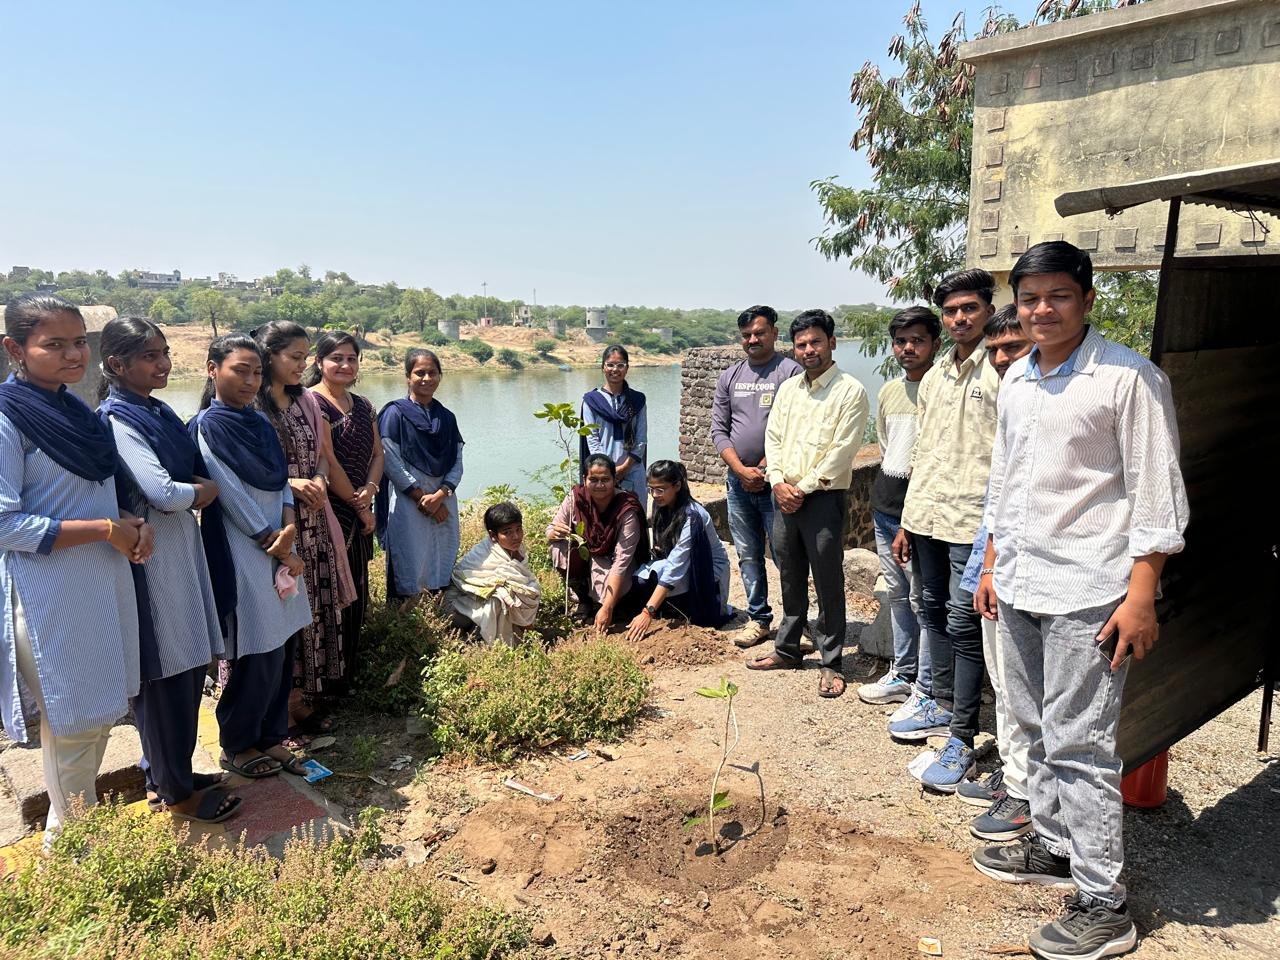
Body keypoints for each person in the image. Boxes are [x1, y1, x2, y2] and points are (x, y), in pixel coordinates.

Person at [971, 242, 1188, 960]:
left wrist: (1142, 596)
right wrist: (994, 563)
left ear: (1086, 299)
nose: (1042, 310)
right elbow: (1006, 482)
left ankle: (1104, 905)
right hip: (1024, 582)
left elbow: (1158, 500)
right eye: (1030, 298)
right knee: (1032, 727)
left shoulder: (1129, 380)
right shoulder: (1020, 382)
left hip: (1091, 592)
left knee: (1082, 745)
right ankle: (1057, 847)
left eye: (1057, 296)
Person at [0, 294, 150, 845]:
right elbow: (4, 524)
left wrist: (129, 518)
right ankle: (67, 845)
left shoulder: (77, 413)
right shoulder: (7, 418)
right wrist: (105, 531)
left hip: (100, 583)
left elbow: (95, 494)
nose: (72, 354)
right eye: (54, 344)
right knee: (72, 719)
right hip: (50, 594)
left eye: (79, 341)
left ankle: (81, 838)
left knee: (101, 711)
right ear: (14, 348)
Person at [98, 317, 238, 824]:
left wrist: (195, 490)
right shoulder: (118, 419)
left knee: (182, 666)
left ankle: (168, 772)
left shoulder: (154, 410)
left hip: (177, 549)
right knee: (162, 672)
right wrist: (204, 492)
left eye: (165, 352)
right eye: (151, 356)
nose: (164, 363)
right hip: (151, 558)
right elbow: (161, 491)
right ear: (117, 364)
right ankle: (177, 792)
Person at [890, 269, 999, 792]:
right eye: (952, 311)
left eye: (969, 309)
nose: (960, 319)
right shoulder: (934, 378)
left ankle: (964, 734)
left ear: (988, 310)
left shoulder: (1001, 371)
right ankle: (933, 699)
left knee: (963, 623)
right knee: (928, 607)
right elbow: (923, 456)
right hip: (930, 517)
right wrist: (909, 521)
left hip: (972, 523)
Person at [190, 333, 313, 779]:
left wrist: (287, 530)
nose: (249, 380)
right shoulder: (207, 425)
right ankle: (238, 745)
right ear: (212, 370)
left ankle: (270, 736)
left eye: (256, 371)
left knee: (282, 646)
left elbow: (281, 478)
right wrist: (270, 539)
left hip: (281, 543)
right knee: (255, 648)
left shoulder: (260, 423)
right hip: (243, 549)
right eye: (240, 370)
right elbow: (227, 490)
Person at [746, 309, 869, 698]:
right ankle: (788, 648)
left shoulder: (851, 391)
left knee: (828, 579)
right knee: (790, 573)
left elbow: (842, 452)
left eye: (816, 342)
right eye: (801, 344)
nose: (808, 350)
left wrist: (803, 489)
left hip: (823, 498)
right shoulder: (789, 390)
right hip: (783, 495)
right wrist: (779, 482)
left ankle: (832, 662)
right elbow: (774, 440)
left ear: (832, 343)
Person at [954, 305, 1035, 842]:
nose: (1002, 359)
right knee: (1004, 682)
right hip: (996, 561)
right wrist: (987, 567)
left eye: (1014, 347)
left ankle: (1029, 797)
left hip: (1038, 573)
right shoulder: (1014, 399)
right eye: (996, 350)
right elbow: (1000, 499)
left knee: (1025, 687)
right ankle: (1016, 779)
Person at [256, 321, 356, 737]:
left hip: (312, 522)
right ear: (269, 356)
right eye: (295, 357)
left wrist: (315, 477)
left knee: (310, 608)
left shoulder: (303, 403)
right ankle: (273, 707)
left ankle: (301, 698)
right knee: (277, 609)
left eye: (303, 356)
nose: (302, 365)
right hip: (272, 525)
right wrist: (288, 483)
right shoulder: (253, 405)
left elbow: (320, 453)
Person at [857, 306, 940, 709]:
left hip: (922, 513)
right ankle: (903, 673)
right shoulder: (890, 391)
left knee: (924, 600)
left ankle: (926, 685)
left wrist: (913, 516)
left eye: (917, 340)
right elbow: (889, 447)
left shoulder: (943, 388)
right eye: (901, 341)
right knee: (898, 594)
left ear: (934, 345)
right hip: (886, 505)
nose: (908, 348)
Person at [710, 305, 802, 649]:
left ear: (774, 334)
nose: (753, 339)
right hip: (737, 484)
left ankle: (798, 623)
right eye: (747, 335)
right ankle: (759, 619)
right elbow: (719, 430)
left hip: (776, 483)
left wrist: (763, 469)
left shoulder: (790, 372)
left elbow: (793, 428)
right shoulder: (730, 376)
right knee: (747, 554)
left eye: (759, 333)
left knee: (785, 555)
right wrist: (740, 470)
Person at [305, 332, 383, 689]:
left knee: (359, 590)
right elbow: (328, 460)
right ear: (319, 362)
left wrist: (370, 490)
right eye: (337, 358)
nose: (345, 365)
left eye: (351, 358)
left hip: (362, 503)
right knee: (333, 594)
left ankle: (352, 669)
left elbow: (378, 454)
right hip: (330, 511)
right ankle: (330, 680)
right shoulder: (312, 403)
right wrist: (358, 504)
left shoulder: (365, 405)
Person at [377, 348, 464, 605]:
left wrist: (440, 495)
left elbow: (457, 462)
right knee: (411, 561)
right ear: (407, 376)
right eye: (420, 373)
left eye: (432, 372)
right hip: (407, 503)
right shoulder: (395, 413)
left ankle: (439, 618)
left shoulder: (447, 418)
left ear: (440, 376)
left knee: (441, 557)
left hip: (444, 500)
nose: (427, 378)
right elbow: (389, 460)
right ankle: (408, 625)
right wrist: (421, 499)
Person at [626, 460, 733, 640]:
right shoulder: (661, 506)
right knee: (641, 580)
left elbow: (677, 564)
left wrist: (648, 612)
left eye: (660, 489)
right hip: (680, 565)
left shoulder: (693, 517)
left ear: (677, 486)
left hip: (706, 571)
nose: (655, 495)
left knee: (665, 579)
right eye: (651, 489)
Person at [547, 453, 649, 632]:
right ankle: (584, 600)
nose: (600, 485)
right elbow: (551, 528)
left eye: (605, 479)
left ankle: (613, 604)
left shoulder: (626, 509)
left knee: (611, 596)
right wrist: (554, 532)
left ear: (614, 479)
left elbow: (621, 562)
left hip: (613, 561)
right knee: (559, 546)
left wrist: (607, 607)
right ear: (584, 479)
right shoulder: (576, 498)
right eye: (593, 479)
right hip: (588, 557)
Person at [449, 501, 541, 646]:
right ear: (493, 535)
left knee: (520, 590)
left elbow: (523, 580)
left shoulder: (517, 550)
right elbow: (460, 576)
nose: (516, 536)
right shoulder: (482, 555)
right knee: (500, 598)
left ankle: (516, 635)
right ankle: (493, 643)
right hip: (459, 608)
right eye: (507, 532)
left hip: (475, 605)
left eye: (518, 529)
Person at [580, 345, 647, 509]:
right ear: (603, 367)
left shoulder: (637, 400)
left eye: (620, 365)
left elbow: (641, 439)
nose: (615, 369)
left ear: (627, 368)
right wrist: (608, 471)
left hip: (633, 470)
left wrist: (624, 468)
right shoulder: (592, 401)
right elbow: (592, 440)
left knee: (636, 515)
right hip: (601, 475)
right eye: (610, 364)